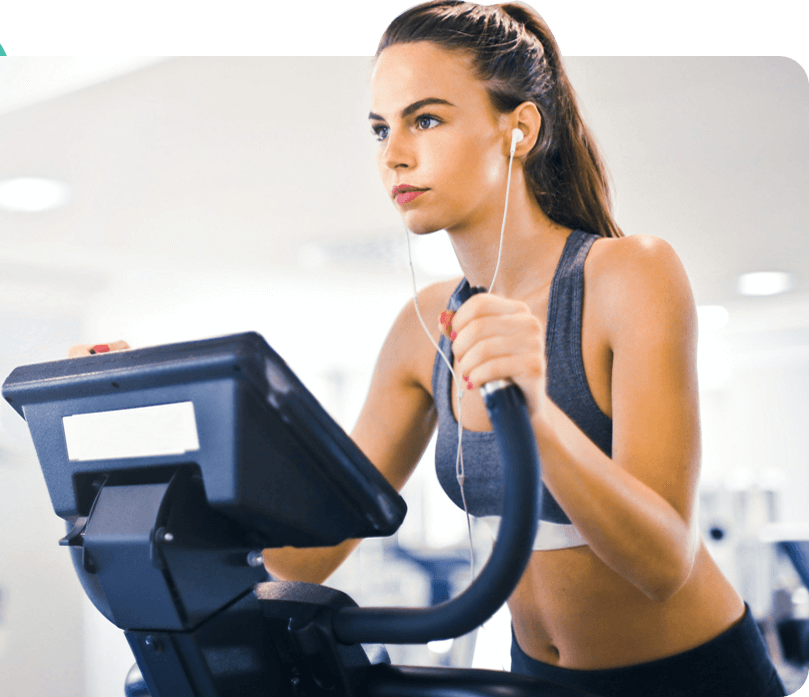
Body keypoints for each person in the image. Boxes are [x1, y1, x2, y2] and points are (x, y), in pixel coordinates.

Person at [70, 4, 788, 695]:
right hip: (535, 677)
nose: (394, 155)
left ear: (518, 129)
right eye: (380, 128)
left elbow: (663, 561)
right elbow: (306, 555)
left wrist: (531, 408)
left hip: (690, 673)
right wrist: (138, 441)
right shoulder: (422, 327)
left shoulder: (627, 274)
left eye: (426, 119)